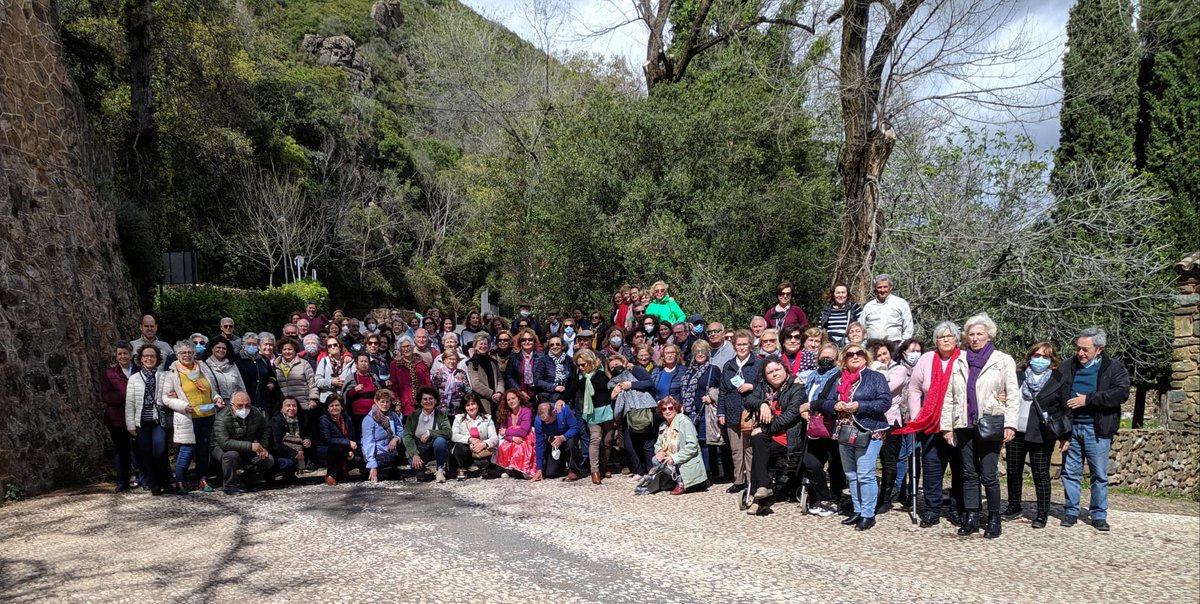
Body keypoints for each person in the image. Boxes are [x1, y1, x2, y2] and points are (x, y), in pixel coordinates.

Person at [938, 314, 1019, 538]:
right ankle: (971, 515)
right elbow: (950, 396)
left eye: (979, 334)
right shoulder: (959, 361)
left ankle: (994, 518)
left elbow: (1012, 394)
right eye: (971, 334)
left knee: (989, 473)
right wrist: (947, 426)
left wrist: (1010, 423)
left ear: (989, 335)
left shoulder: (1002, 360)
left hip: (990, 422)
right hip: (964, 424)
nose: (974, 338)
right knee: (968, 473)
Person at [1054, 326, 1129, 532]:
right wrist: (1062, 432)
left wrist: (1088, 399)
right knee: (1069, 472)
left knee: (1098, 474)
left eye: (1086, 349)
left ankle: (1098, 514)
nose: (1081, 353)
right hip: (1072, 428)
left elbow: (1121, 394)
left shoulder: (1113, 368)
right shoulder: (1067, 366)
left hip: (1097, 429)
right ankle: (1070, 511)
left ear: (1099, 349)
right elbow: (1057, 397)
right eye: (1078, 348)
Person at [897, 321, 967, 529]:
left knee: (959, 468)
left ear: (957, 339)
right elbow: (915, 389)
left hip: (957, 424)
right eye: (941, 337)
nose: (945, 340)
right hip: (930, 424)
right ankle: (931, 509)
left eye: (950, 336)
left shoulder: (964, 359)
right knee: (931, 468)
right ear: (935, 340)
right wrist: (917, 417)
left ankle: (956, 508)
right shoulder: (927, 359)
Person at [819, 343, 892, 531]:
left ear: (865, 356)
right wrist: (834, 405)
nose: (855, 356)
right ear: (844, 358)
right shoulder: (838, 379)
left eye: (859, 353)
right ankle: (858, 510)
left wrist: (860, 405)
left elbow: (885, 402)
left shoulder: (876, 377)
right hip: (844, 430)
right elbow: (823, 400)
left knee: (865, 473)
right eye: (850, 354)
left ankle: (868, 514)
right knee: (851, 473)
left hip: (869, 429)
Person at [1004, 341, 1070, 529]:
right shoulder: (1018, 377)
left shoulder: (1057, 379)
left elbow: (1064, 407)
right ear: (1030, 357)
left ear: (1051, 360)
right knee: (1012, 470)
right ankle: (1014, 504)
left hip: (1041, 434)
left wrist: (1065, 435)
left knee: (1040, 474)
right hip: (1016, 430)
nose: (1040, 359)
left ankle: (1042, 513)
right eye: (1037, 355)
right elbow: (1007, 396)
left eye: (1045, 356)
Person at [745, 358, 807, 513]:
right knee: (758, 441)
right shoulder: (764, 387)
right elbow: (748, 399)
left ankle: (759, 496)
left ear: (785, 370)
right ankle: (763, 487)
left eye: (777, 370)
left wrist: (764, 429)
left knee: (759, 444)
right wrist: (762, 403)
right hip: (770, 438)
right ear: (765, 376)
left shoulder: (796, 388)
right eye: (770, 372)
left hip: (788, 438)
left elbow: (790, 416)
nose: (774, 374)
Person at [161, 340, 224, 494]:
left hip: (207, 415)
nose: (187, 355)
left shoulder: (202, 368)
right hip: (188, 417)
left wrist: (216, 399)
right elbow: (166, 398)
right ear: (177, 355)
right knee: (187, 450)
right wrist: (182, 405)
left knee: (203, 451)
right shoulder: (172, 373)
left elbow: (212, 390)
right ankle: (180, 482)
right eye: (183, 353)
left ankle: (203, 480)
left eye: (190, 352)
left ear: (194, 353)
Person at [718, 330, 760, 492]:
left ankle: (751, 480)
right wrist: (721, 412)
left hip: (749, 412)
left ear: (750, 345)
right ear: (734, 346)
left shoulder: (757, 364)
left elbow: (764, 387)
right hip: (731, 410)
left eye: (744, 344)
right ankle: (738, 480)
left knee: (748, 449)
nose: (742, 347)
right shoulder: (728, 365)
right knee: (736, 450)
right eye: (738, 344)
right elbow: (722, 390)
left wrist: (751, 386)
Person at [211, 392, 274, 496]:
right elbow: (224, 443)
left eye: (247, 405)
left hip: (247, 446)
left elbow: (265, 428)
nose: (244, 408)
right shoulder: (222, 417)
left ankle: (244, 480)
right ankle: (229, 486)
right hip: (222, 448)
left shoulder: (255, 412)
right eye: (240, 405)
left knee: (268, 460)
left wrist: (262, 446)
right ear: (232, 405)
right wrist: (250, 446)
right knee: (231, 455)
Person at [569, 349, 615, 484]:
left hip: (607, 412)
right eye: (579, 365)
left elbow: (612, 386)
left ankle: (603, 465)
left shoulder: (603, 373)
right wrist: (561, 399)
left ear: (590, 362)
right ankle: (594, 470)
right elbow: (572, 390)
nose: (581, 368)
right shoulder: (581, 378)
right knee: (595, 439)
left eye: (583, 365)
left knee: (607, 441)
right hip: (591, 412)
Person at [610, 353, 658, 480]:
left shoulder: (635, 369)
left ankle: (651, 471)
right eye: (612, 367)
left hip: (643, 410)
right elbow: (615, 401)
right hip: (627, 413)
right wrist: (614, 395)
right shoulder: (614, 383)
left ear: (624, 362)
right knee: (630, 444)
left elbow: (649, 383)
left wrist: (631, 384)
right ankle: (639, 470)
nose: (615, 367)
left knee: (646, 444)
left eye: (617, 364)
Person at [648, 396, 707, 495]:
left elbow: (692, 446)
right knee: (655, 459)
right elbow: (658, 444)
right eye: (664, 409)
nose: (667, 411)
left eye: (670, 408)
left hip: (684, 460)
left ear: (676, 409)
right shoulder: (663, 425)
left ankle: (681, 480)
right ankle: (675, 478)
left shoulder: (684, 421)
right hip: (670, 460)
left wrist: (674, 458)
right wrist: (659, 451)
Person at [679, 340, 721, 474]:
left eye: (703, 351)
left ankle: (709, 472)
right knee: (692, 443)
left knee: (705, 443)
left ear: (708, 353)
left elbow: (721, 389)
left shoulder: (712, 370)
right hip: (689, 412)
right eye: (697, 351)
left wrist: (711, 397)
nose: (700, 354)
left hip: (705, 411)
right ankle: (696, 471)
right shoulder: (688, 371)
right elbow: (683, 390)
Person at [102, 341, 137, 492]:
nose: (122, 356)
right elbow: (106, 395)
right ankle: (122, 481)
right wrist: (125, 397)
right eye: (119, 354)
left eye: (125, 353)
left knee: (139, 449)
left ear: (131, 354)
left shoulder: (138, 370)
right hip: (117, 418)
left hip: (137, 416)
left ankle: (144, 477)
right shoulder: (110, 373)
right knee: (121, 450)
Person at [403, 387, 452, 481]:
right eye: (425, 399)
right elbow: (406, 435)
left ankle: (440, 470)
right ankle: (420, 468)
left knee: (440, 441)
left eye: (431, 398)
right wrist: (414, 454)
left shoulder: (442, 415)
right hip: (418, 448)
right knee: (420, 477)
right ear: (420, 402)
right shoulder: (413, 416)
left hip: (433, 448)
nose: (428, 401)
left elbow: (448, 433)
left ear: (436, 400)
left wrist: (430, 433)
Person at [360, 390, 405, 482]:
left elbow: (401, 430)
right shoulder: (369, 419)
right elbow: (368, 443)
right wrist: (372, 465)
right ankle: (371, 469)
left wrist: (396, 438)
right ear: (376, 402)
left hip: (390, 448)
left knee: (404, 445)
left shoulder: (393, 415)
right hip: (376, 451)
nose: (385, 404)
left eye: (387, 401)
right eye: (382, 401)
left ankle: (392, 471)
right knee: (383, 460)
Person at [451, 393, 498, 480]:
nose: (471, 407)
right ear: (464, 407)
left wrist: (484, 444)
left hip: (482, 450)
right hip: (467, 449)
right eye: (468, 405)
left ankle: (483, 468)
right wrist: (470, 440)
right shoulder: (458, 418)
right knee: (459, 446)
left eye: (473, 404)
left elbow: (494, 438)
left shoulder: (487, 419)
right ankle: (462, 468)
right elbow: (454, 436)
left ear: (478, 405)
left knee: (485, 455)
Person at [532, 402, 583, 481]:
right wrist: (539, 468)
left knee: (572, 442)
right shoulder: (538, 421)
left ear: (554, 412)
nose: (546, 423)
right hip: (553, 443)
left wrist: (563, 437)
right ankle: (561, 466)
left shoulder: (564, 409)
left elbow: (575, 428)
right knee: (550, 473)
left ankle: (574, 470)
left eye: (548, 420)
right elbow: (539, 444)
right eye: (543, 421)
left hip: (567, 438)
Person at [494, 389, 537, 479]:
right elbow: (501, 431)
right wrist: (512, 438)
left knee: (522, 445)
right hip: (511, 437)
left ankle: (525, 469)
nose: (511, 401)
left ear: (519, 399)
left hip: (526, 436)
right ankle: (508, 469)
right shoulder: (506, 413)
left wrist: (506, 431)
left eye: (513, 398)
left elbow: (523, 431)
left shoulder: (526, 411)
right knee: (505, 445)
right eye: (508, 400)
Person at [268, 397, 311, 484]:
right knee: (289, 462)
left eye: (294, 406)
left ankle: (290, 475)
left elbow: (306, 433)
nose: (291, 408)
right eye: (288, 406)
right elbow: (276, 445)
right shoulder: (276, 421)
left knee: (308, 450)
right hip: (277, 453)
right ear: (282, 408)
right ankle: (270, 473)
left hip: (295, 448)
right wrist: (295, 454)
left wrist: (307, 439)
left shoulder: (300, 419)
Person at [860, 274, 914, 344]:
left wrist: (903, 345)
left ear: (890, 287)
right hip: (872, 345)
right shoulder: (868, 306)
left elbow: (908, 326)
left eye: (885, 287)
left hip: (894, 344)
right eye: (879, 287)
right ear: (875, 288)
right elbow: (861, 327)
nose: (882, 290)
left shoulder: (900, 303)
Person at [275, 337, 318, 421]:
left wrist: (313, 399)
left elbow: (312, 383)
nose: (287, 352)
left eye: (290, 349)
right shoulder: (276, 365)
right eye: (285, 349)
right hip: (285, 408)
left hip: (303, 406)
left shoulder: (304, 364)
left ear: (295, 350)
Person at [317, 395, 358, 485]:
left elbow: (352, 436)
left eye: (337, 405)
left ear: (342, 407)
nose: (334, 408)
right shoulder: (323, 419)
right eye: (331, 406)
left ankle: (344, 469)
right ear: (327, 408)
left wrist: (350, 449)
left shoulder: (347, 418)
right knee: (337, 448)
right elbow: (327, 439)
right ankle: (330, 475)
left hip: (344, 447)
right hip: (327, 449)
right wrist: (347, 443)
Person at [390, 336, 431, 416]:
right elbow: (394, 386)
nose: (406, 349)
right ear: (400, 349)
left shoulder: (421, 363)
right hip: (405, 402)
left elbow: (428, 382)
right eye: (403, 347)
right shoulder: (395, 364)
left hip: (422, 401)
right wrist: (397, 403)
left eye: (408, 346)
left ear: (412, 347)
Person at [465, 333, 504, 415]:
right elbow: (475, 383)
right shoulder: (472, 363)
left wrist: (499, 393)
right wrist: (491, 394)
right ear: (475, 346)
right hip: (483, 400)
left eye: (485, 344)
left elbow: (500, 379)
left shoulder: (493, 361)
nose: (483, 346)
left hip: (497, 400)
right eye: (480, 344)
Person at [236, 332, 273, 411]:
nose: (251, 346)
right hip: (245, 401)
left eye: (254, 344)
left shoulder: (263, 359)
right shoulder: (237, 359)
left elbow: (271, 375)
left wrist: (271, 382)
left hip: (263, 402)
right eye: (249, 344)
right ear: (243, 345)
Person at [204, 336, 246, 404]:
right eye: (218, 347)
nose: (221, 350)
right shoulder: (205, 365)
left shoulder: (232, 365)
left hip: (233, 404)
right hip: (214, 405)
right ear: (212, 348)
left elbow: (240, 385)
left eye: (224, 348)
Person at [505, 328, 544, 399]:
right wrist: (520, 391)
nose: (527, 341)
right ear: (520, 342)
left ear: (534, 341)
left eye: (530, 339)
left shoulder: (542, 357)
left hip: (539, 395)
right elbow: (509, 377)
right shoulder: (513, 357)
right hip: (520, 395)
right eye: (523, 340)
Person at [344, 351, 380, 428]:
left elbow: (380, 392)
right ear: (356, 364)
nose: (364, 363)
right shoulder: (351, 378)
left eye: (366, 361)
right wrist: (354, 390)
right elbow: (346, 396)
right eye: (361, 361)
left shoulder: (374, 377)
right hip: (357, 415)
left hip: (374, 413)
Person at [315, 336, 352, 405]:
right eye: (329, 346)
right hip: (327, 400)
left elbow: (354, 379)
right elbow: (317, 381)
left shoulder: (349, 361)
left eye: (335, 345)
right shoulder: (324, 361)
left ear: (340, 347)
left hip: (345, 399)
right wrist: (331, 382)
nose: (333, 347)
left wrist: (345, 382)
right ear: (327, 349)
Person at [432, 348, 469, 415]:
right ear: (444, 360)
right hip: (442, 409)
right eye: (449, 359)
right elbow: (433, 391)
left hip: (458, 409)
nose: (452, 361)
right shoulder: (438, 374)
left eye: (454, 359)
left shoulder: (461, 373)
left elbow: (467, 390)